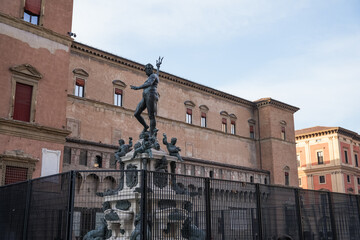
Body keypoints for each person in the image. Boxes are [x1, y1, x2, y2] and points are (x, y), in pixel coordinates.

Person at [131, 57, 163, 137]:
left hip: (151, 95)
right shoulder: (154, 75)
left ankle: (152, 134)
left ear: (150, 69)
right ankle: (146, 126)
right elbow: (157, 75)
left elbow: (149, 83)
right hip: (145, 96)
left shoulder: (152, 76)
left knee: (151, 115)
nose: (145, 73)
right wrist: (158, 67)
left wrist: (138, 87)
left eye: (146, 70)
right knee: (136, 113)